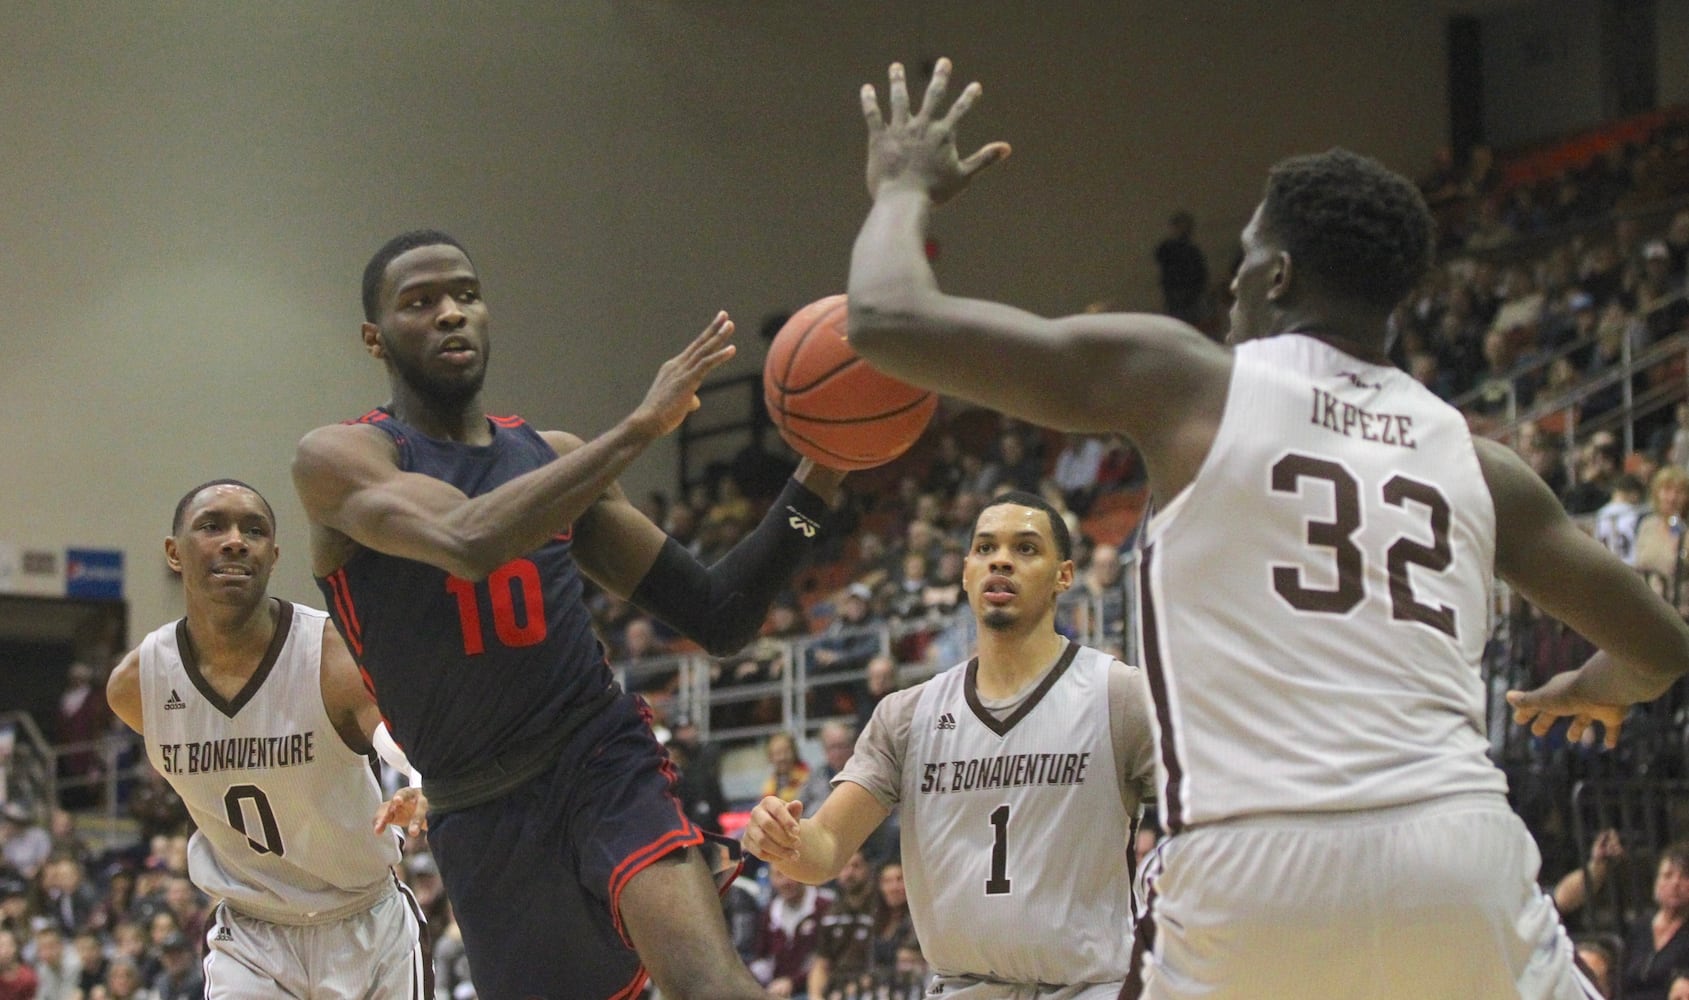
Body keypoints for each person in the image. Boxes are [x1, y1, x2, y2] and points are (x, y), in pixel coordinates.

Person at [843, 57, 1689, 997]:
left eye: (1244, 255)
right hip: (1458, 854)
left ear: (1276, 274)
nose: (1233, 280)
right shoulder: (1482, 466)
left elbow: (882, 320)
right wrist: (1592, 682)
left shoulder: (1188, 383)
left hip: (1253, 865)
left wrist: (901, 185)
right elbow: (1658, 648)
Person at [291, 229, 850, 999]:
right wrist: (637, 430)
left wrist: (826, 468)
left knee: (708, 981)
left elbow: (720, 615)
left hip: (596, 757)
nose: (451, 313)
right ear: (374, 338)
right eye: (419, 303)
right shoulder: (339, 459)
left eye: (465, 294)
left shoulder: (550, 456)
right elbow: (468, 538)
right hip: (476, 809)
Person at [745, 491, 1159, 997]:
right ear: (966, 572)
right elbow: (825, 849)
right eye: (985, 548)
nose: (1001, 559)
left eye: (1026, 549)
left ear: (1064, 576)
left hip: (1094, 987)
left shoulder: (1119, 696)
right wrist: (783, 841)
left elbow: (1207, 820)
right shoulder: (907, 715)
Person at [104, 480, 429, 997]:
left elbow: (397, 735)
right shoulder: (136, 687)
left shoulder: (329, 653)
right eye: (212, 526)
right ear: (173, 552)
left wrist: (419, 779)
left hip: (366, 923)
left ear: (273, 557)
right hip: (251, 936)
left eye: (253, 531)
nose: (235, 541)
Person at [1621, 843, 1689, 1000]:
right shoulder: (1639, 928)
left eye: (1685, 876)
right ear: (1656, 883)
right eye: (1667, 875)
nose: (1675, 883)